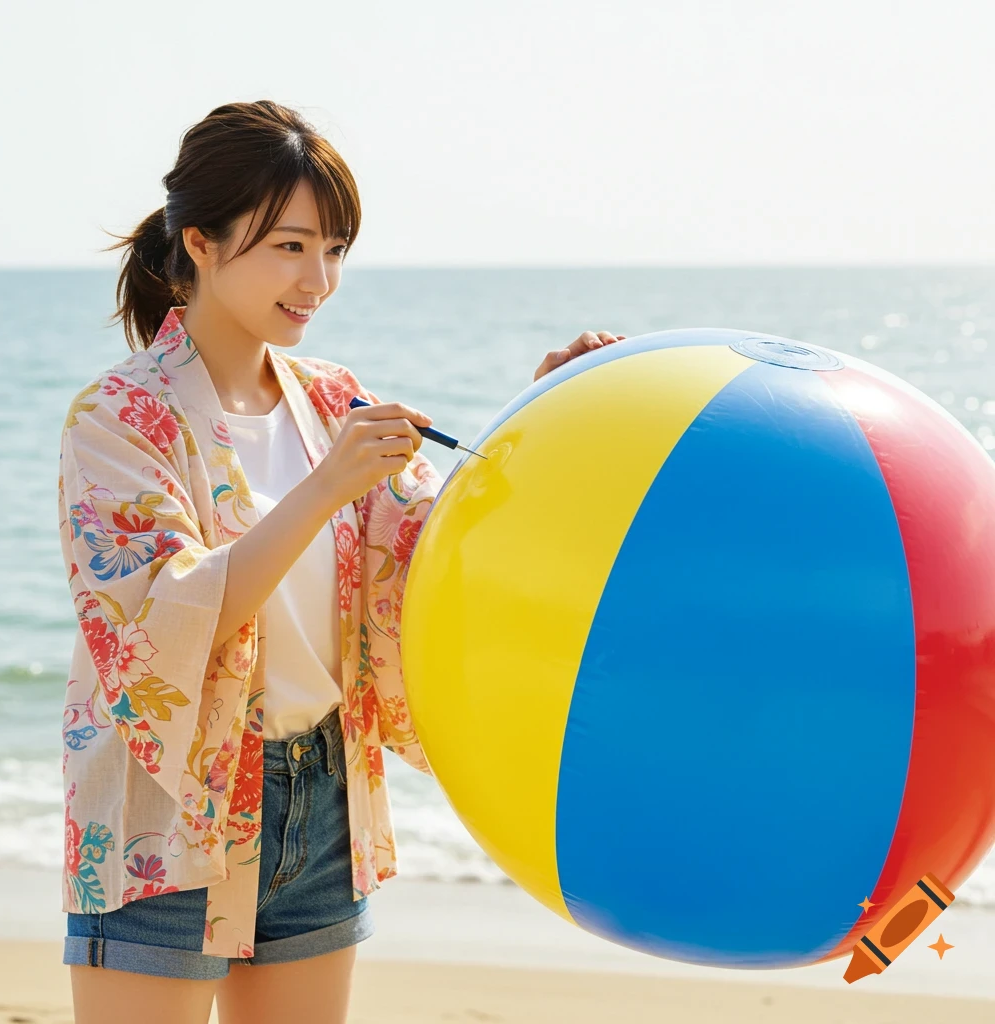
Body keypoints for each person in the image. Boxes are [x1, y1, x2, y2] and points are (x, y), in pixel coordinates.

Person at [57, 98, 624, 1024]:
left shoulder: (334, 401)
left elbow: (438, 560)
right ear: (199, 242)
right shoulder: (117, 419)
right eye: (288, 246)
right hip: (167, 812)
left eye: (334, 249)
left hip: (323, 796)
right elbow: (165, 620)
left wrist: (547, 411)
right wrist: (325, 487)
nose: (317, 278)